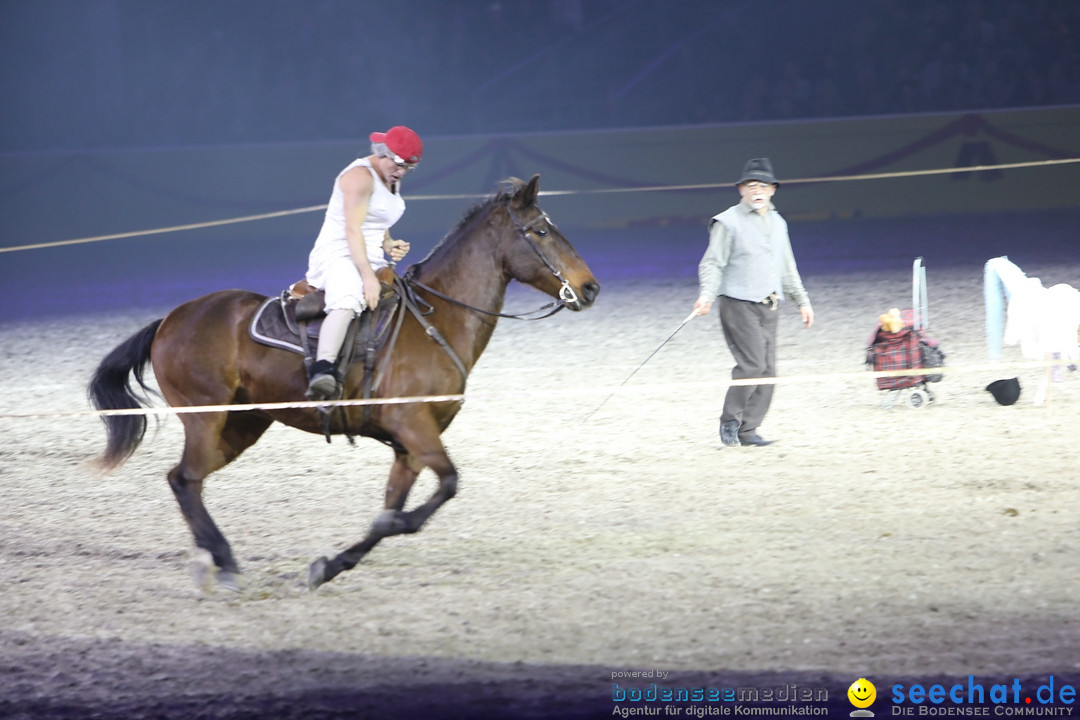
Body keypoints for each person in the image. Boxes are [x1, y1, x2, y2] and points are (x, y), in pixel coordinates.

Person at [691, 158, 814, 447]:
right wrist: (707, 295)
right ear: (741, 190)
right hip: (738, 303)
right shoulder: (727, 222)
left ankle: (749, 430)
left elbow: (787, 267)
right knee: (752, 364)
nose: (757, 190)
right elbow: (712, 263)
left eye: (763, 185)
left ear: (773, 190)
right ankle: (730, 422)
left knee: (768, 370)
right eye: (751, 185)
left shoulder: (778, 222)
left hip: (769, 303)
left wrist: (802, 301)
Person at [304, 125, 422, 400]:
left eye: (408, 168)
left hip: (368, 253)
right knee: (348, 299)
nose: (401, 172)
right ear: (384, 154)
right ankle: (323, 369)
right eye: (398, 165)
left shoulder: (390, 174)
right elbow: (352, 230)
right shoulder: (359, 178)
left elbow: (378, 217)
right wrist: (368, 277)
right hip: (340, 252)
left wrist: (387, 243)